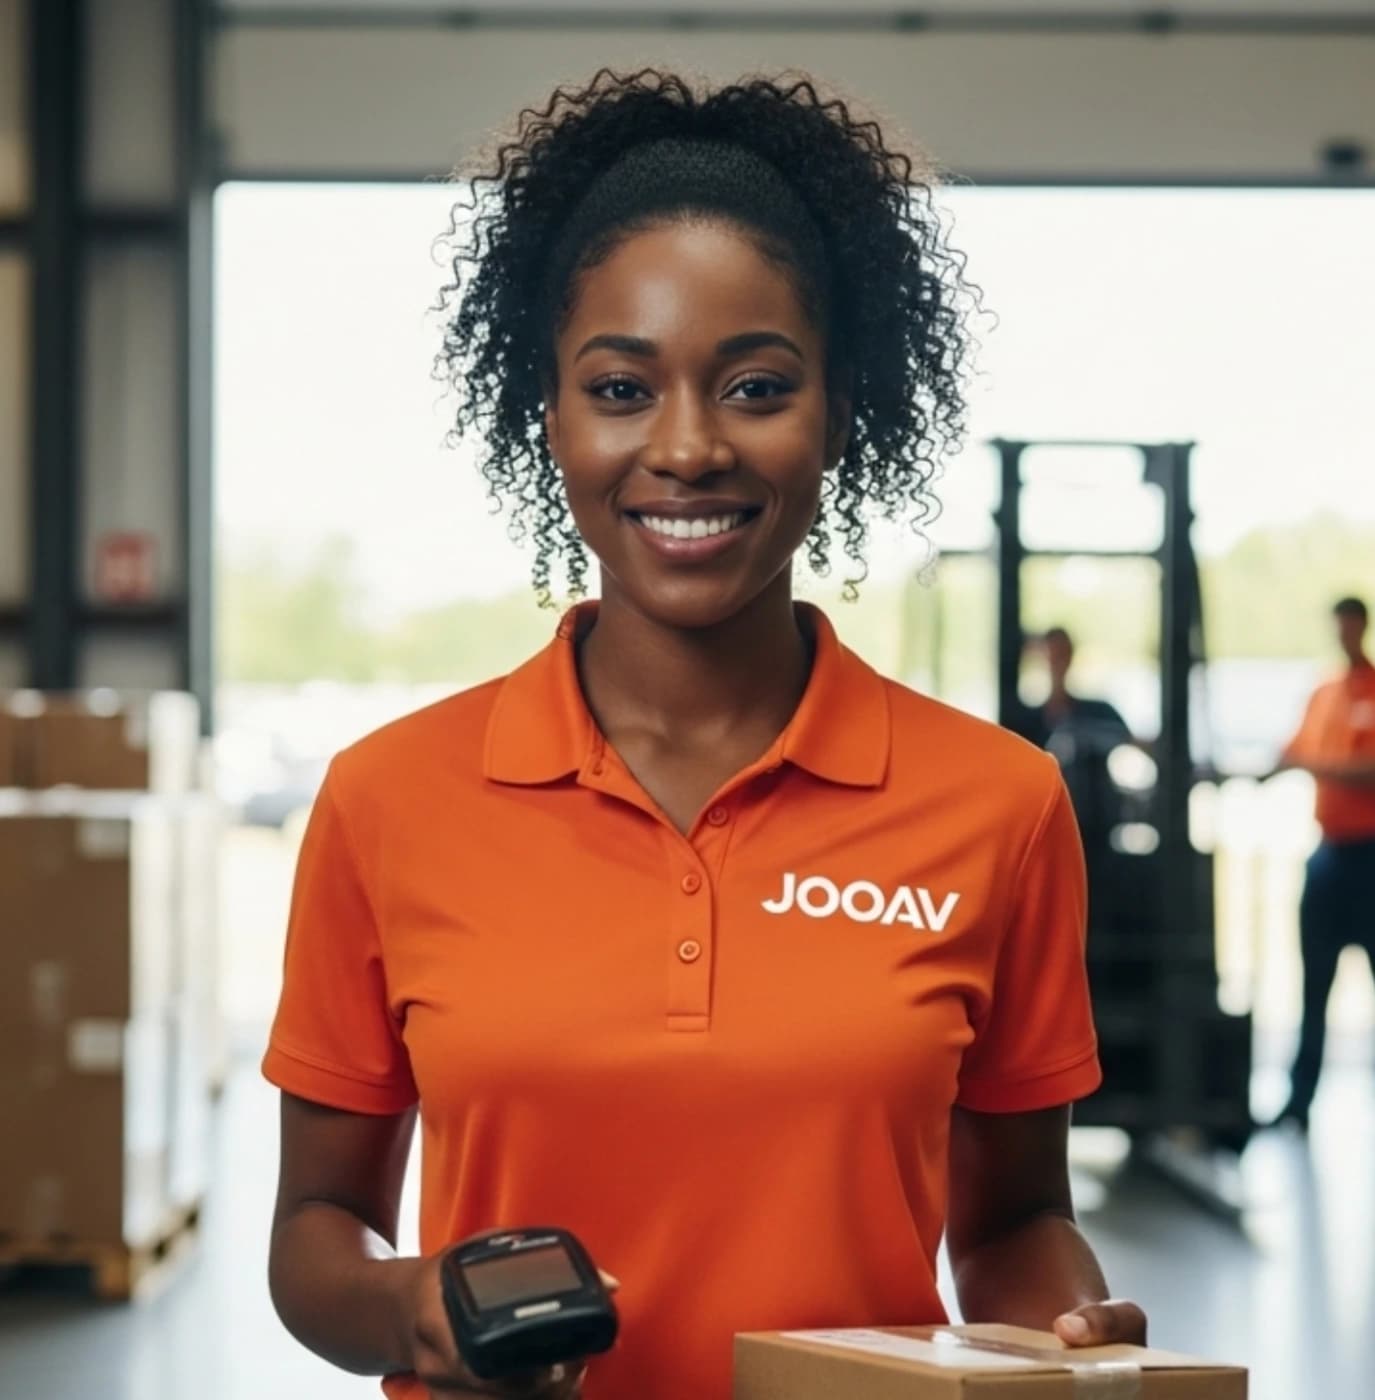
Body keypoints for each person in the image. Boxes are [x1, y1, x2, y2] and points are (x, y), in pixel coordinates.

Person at [262, 71, 1146, 1400]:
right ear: (546, 413)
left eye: (752, 386)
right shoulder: (388, 797)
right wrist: (409, 1311)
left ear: (836, 411)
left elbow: (1013, 1220)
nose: (684, 448)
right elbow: (312, 1234)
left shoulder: (997, 804)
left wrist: (1071, 1333)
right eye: (619, 389)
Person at [1266, 596, 1375, 1133]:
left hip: (1371, 856)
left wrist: (1313, 763)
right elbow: (1287, 753)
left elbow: (1368, 771)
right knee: (1314, 984)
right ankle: (1298, 1102)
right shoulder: (1324, 693)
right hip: (1329, 853)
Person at [1007, 627, 1133, 753]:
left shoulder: (1099, 714)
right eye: (1053, 655)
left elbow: (1133, 743)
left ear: (1070, 656)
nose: (1057, 663)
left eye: (1062, 654)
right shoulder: (1025, 723)